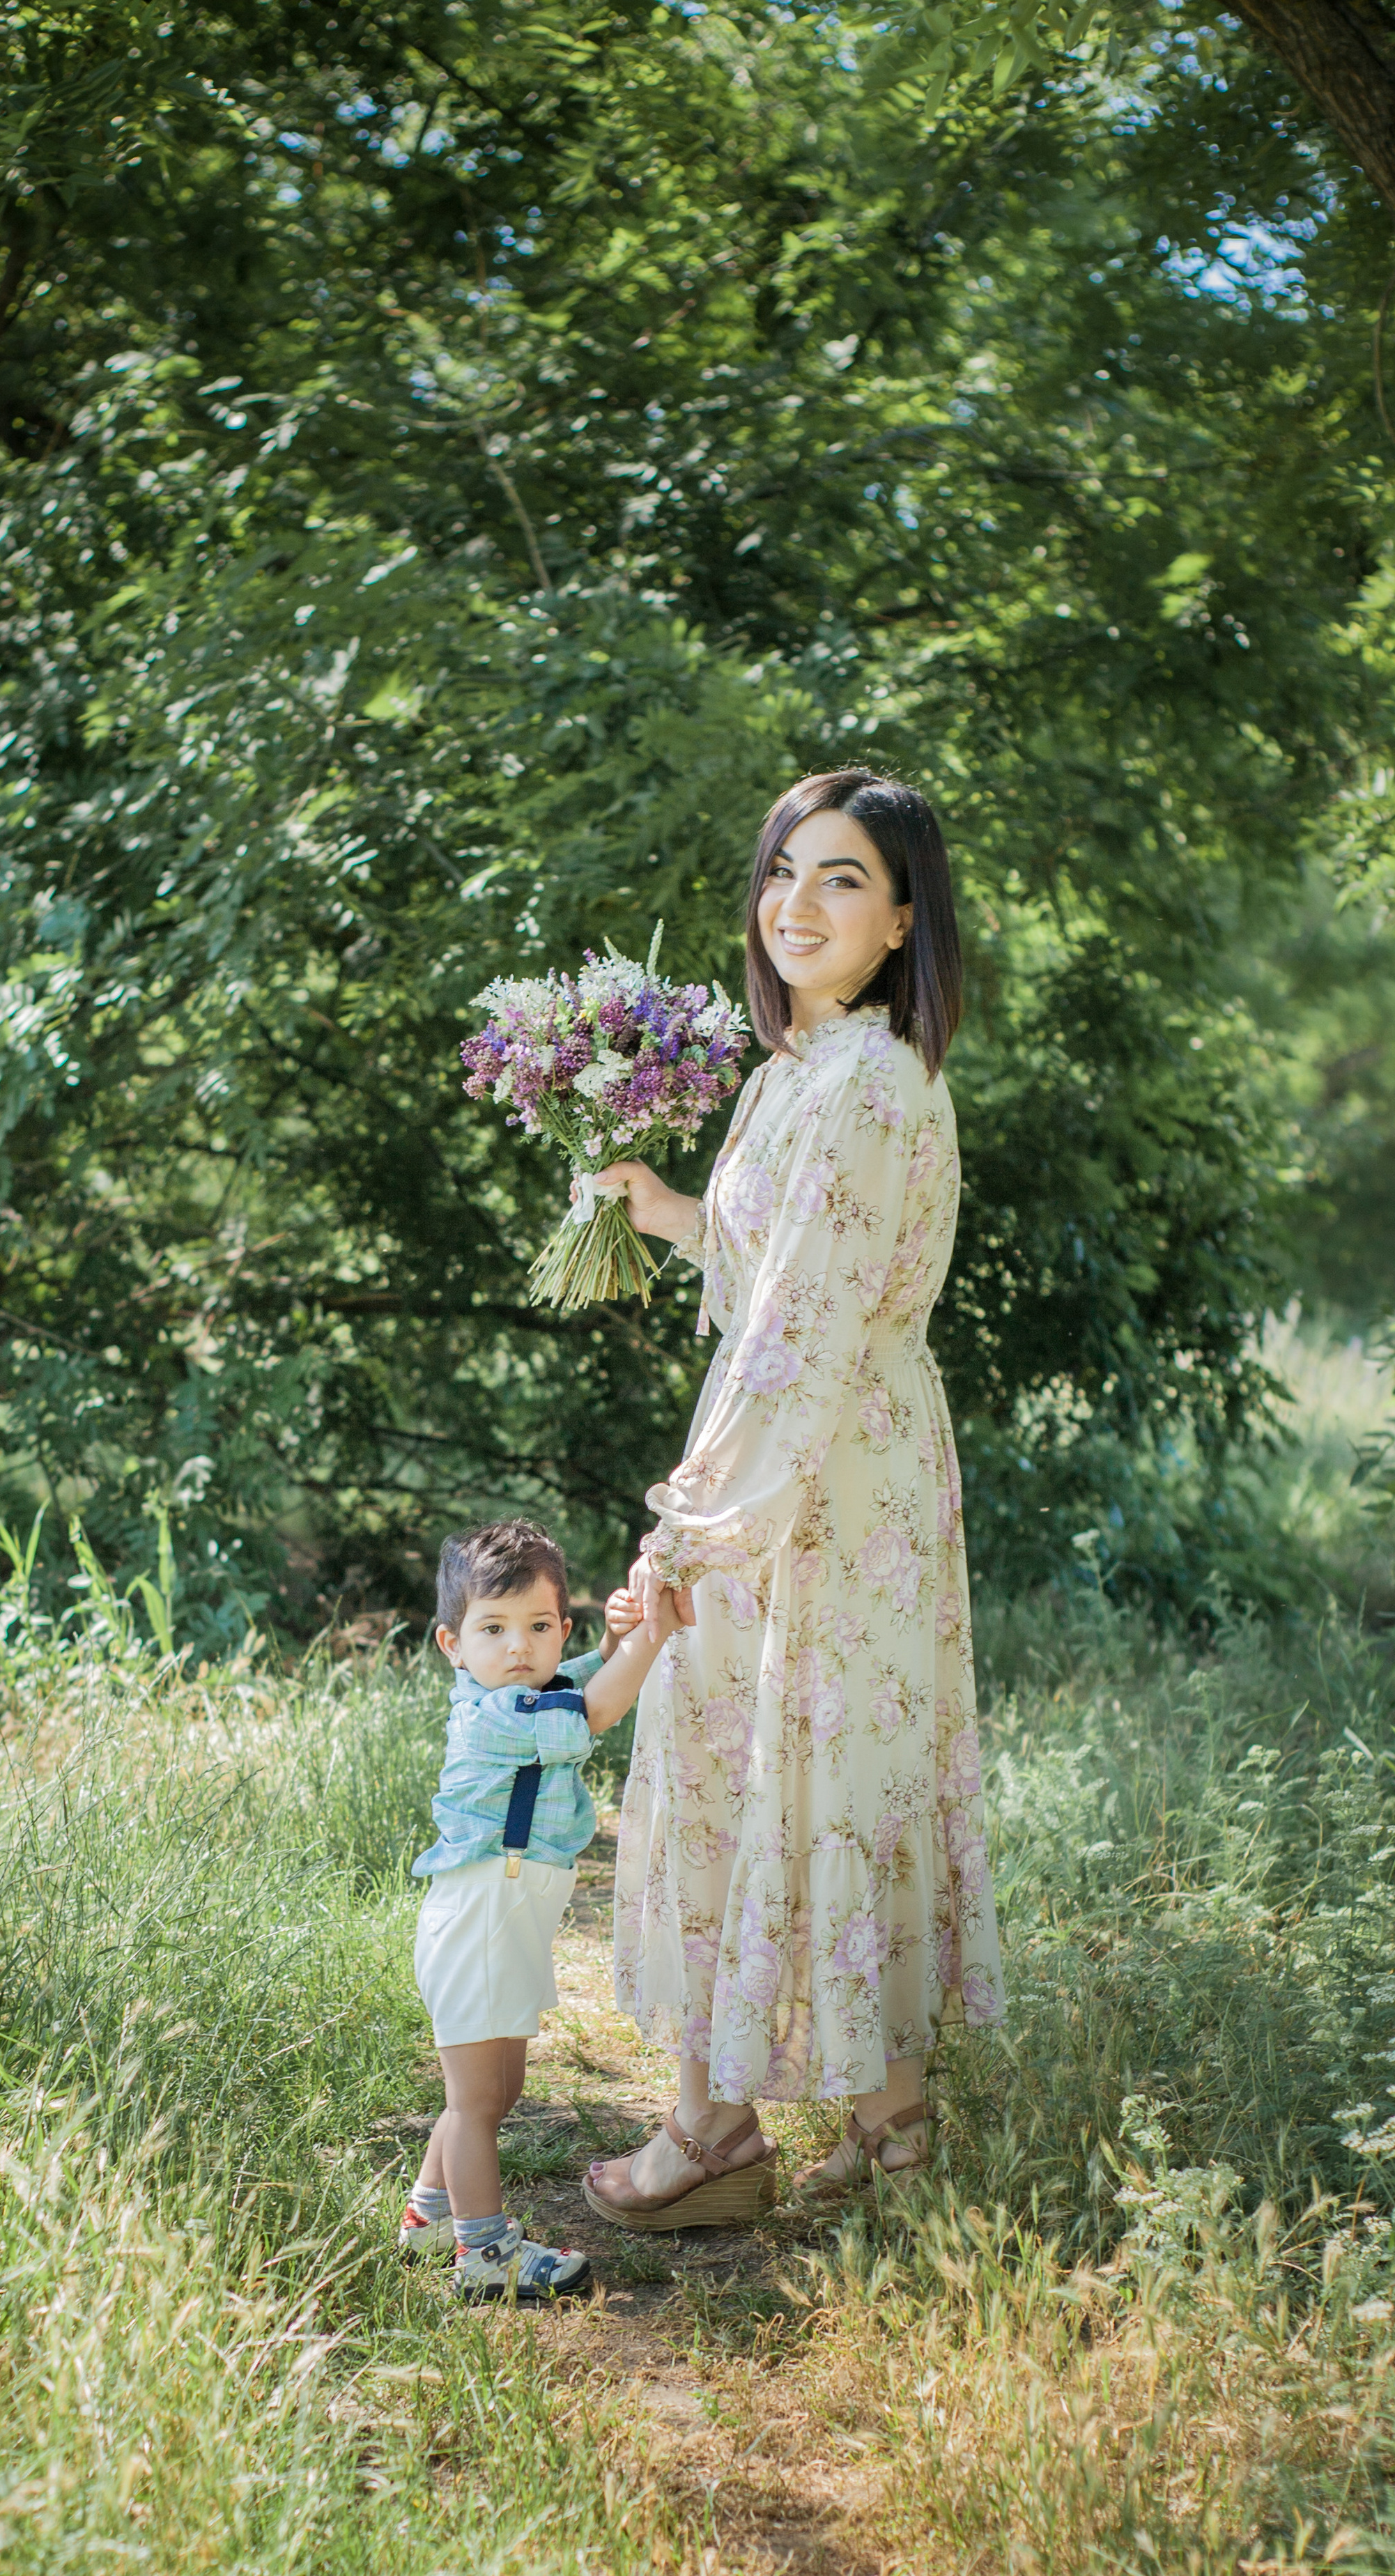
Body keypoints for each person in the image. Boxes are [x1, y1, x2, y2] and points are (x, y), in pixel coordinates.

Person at [582, 769, 1004, 2230]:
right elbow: (779, 1272)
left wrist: (696, 1516)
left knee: (776, 1759)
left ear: (900, 922)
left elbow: (807, 1322)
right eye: (781, 872)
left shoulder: (872, 1079)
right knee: (802, 1767)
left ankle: (715, 2138)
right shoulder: (800, 1074)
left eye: (839, 879)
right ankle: (883, 2139)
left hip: (820, 1460)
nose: (795, 904)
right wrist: (673, 1216)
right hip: (812, 1430)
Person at [401, 1515, 670, 2300]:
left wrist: (620, 1642)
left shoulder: (534, 1684)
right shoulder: (495, 1716)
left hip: (504, 1917)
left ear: (561, 1629)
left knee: (496, 2090)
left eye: (538, 1626)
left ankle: (431, 2216)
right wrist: (648, 1640)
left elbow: (587, 1679)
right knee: (478, 2100)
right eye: (493, 1629)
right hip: (480, 1914)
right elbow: (594, 1712)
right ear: (453, 1645)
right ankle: (483, 2256)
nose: (518, 1647)